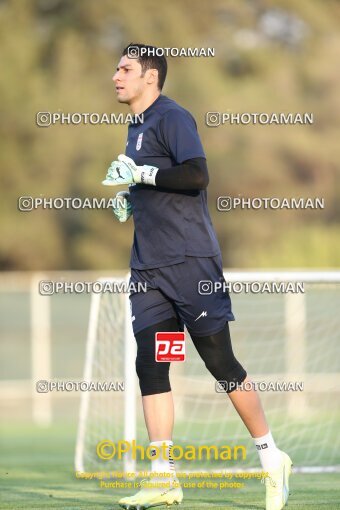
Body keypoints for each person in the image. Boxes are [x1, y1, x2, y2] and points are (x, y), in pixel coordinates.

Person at [103, 43, 292, 510]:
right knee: (152, 364)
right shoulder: (135, 127)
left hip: (191, 268)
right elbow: (157, 183)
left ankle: (272, 459)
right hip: (150, 274)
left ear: (151, 77)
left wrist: (143, 178)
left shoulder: (172, 117)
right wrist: (134, 199)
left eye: (125, 69)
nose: (115, 76)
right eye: (116, 68)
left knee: (219, 363)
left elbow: (196, 176)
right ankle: (164, 479)